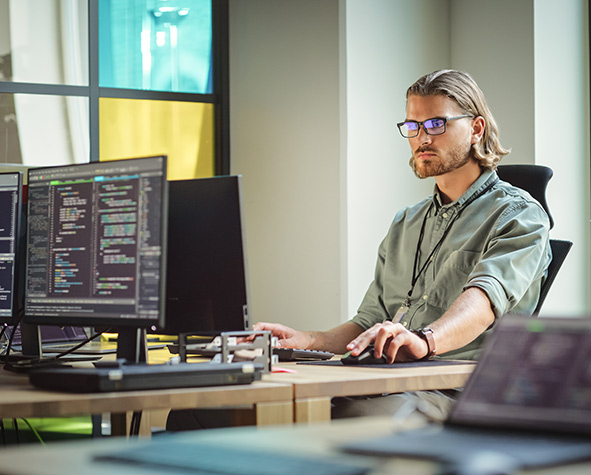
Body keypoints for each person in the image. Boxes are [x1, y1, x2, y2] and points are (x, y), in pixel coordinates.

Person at [167, 69, 551, 429]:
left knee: (344, 422)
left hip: (454, 390)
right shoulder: (407, 221)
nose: (422, 138)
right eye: (413, 126)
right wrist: (308, 341)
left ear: (475, 129)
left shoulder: (519, 216)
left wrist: (425, 340)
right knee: (202, 413)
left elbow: (483, 302)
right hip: (381, 380)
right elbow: (369, 321)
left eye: (436, 124)